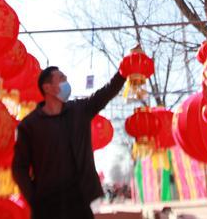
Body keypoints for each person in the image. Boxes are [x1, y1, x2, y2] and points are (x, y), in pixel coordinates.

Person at [12, 63, 126, 219]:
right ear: (47, 88)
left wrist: (123, 73)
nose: (67, 83)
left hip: (79, 203)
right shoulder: (29, 126)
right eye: (62, 79)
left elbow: (105, 93)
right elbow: (19, 167)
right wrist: (35, 199)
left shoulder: (79, 111)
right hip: (47, 207)